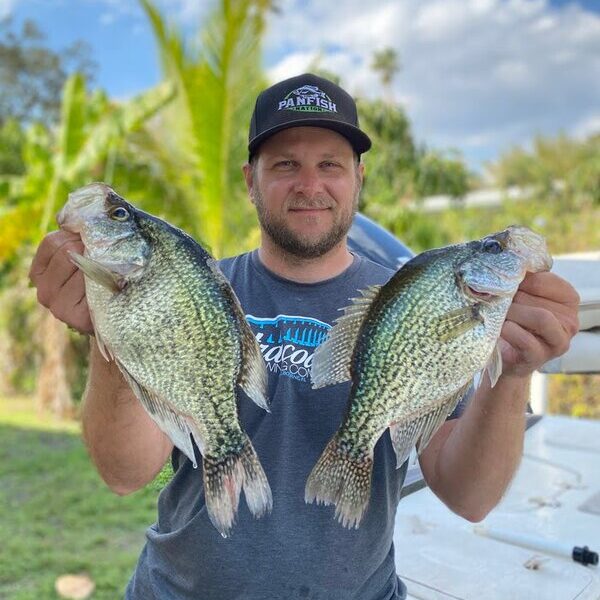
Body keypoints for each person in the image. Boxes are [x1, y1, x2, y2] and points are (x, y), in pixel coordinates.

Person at [29, 73, 580, 600]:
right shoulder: (195, 291)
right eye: (286, 163)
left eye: (330, 165)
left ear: (358, 178)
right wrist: (113, 332)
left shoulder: (411, 301)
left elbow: (471, 498)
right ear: (251, 180)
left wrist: (513, 372)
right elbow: (125, 475)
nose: (310, 185)